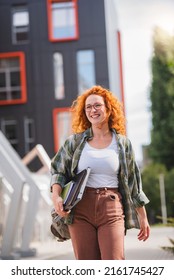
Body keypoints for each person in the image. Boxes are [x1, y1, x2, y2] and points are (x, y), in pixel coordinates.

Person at [50, 85, 150, 260]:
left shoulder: (122, 143)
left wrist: (143, 217)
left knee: (113, 262)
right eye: (88, 107)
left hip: (111, 207)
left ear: (108, 109)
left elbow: (134, 182)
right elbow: (58, 170)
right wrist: (56, 197)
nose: (92, 110)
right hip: (79, 209)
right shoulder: (74, 142)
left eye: (97, 105)